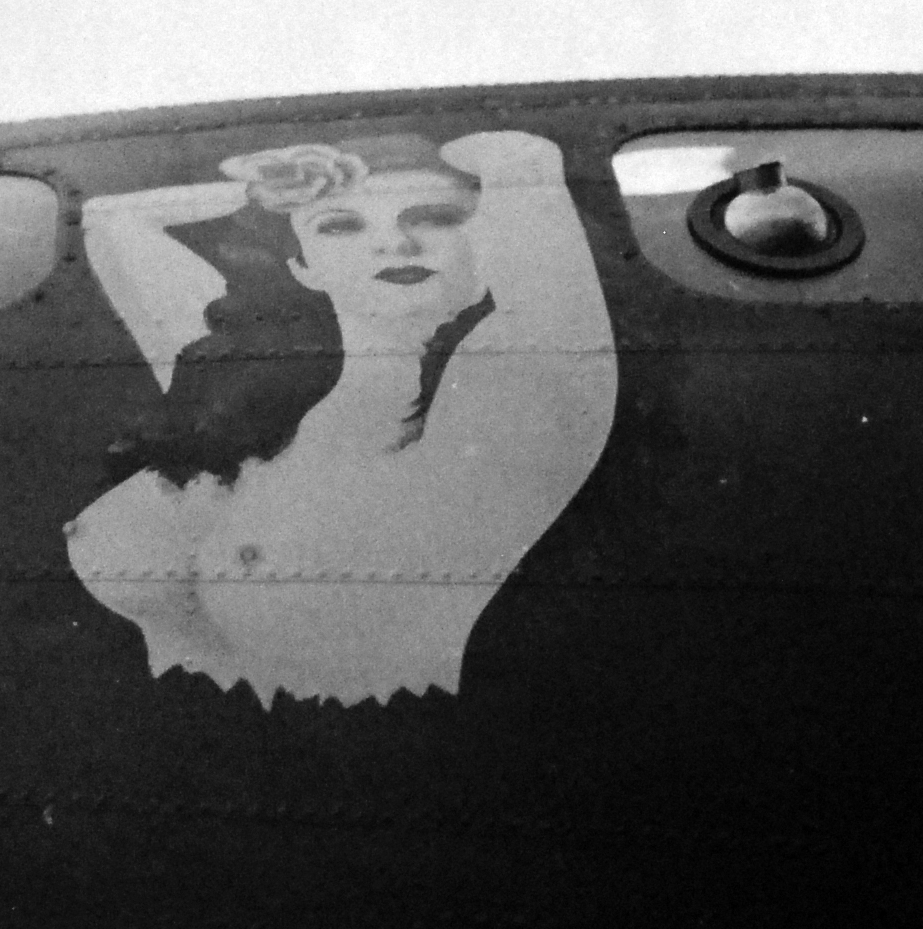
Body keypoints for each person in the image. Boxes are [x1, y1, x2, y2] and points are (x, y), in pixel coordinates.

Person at [66, 130, 616, 706]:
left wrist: (312, 182)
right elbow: (111, 220)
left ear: (487, 249)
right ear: (304, 266)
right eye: (341, 226)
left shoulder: (502, 403)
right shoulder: (242, 396)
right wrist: (284, 177)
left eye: (435, 218)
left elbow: (520, 159)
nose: (394, 243)